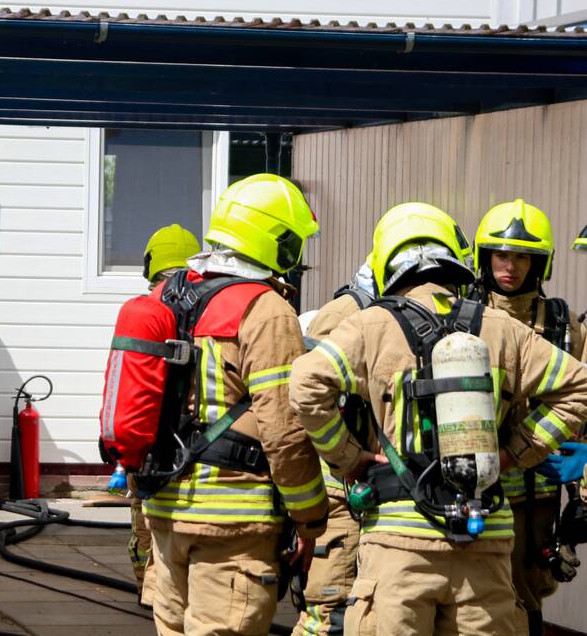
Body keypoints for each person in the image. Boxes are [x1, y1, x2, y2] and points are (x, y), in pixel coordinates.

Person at [290, 201, 587, 636]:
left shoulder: (371, 324)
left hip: (398, 540)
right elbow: (580, 386)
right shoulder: (502, 327)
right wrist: (514, 453)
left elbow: (305, 385)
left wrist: (348, 458)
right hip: (486, 540)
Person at [143, 173, 328, 636]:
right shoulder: (265, 310)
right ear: (275, 240)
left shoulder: (167, 295)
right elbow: (284, 431)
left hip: (164, 510)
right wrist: (309, 519)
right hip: (232, 524)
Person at [472, 199, 587, 635]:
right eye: (502, 254)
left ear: (540, 263)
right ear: (485, 258)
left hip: (540, 497)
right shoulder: (464, 316)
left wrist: (583, 486)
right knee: (480, 595)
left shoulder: (564, 325)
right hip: (479, 488)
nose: (511, 266)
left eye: (523, 256)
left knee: (531, 593)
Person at [291, 257, 375, 636]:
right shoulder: (344, 314)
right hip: (341, 489)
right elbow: (311, 395)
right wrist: (349, 458)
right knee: (330, 611)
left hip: (371, 486)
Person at [128, 223, 201, 607]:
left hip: (145, 441)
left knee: (145, 525)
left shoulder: (143, 313)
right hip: (194, 442)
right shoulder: (206, 309)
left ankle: (149, 590)